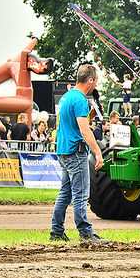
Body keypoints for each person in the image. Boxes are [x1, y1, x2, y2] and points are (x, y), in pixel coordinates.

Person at [50, 64, 108, 245]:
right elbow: (84, 130)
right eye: (96, 81)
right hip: (76, 152)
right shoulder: (80, 99)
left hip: (63, 150)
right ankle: (85, 233)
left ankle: (57, 230)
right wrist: (98, 152)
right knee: (81, 193)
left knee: (65, 193)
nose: (96, 85)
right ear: (89, 81)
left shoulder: (66, 97)